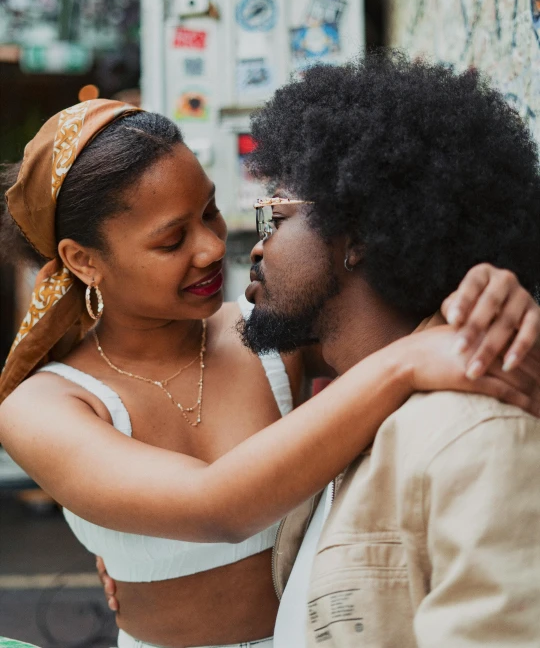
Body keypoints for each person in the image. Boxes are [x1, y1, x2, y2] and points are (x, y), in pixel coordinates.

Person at [0, 96, 538, 648]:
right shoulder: (41, 407)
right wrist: (402, 366)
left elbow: (397, 316)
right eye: (171, 239)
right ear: (84, 260)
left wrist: (491, 299)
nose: (213, 248)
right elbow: (214, 507)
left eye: (209, 211)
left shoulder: (269, 335)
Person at [231, 51, 540, 646]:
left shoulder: (473, 434)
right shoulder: (348, 415)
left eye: (276, 216)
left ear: (360, 237)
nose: (258, 250)